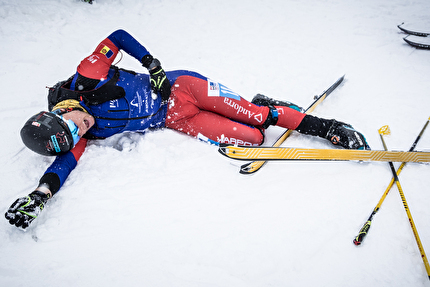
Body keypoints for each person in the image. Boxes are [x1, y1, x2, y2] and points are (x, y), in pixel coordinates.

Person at [5, 29, 370, 229]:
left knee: (260, 118)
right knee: (254, 137)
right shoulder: (75, 136)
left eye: (75, 123)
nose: (83, 128)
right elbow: (63, 165)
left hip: (184, 88)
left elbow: (116, 36)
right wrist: (41, 194)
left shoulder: (87, 76)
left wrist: (153, 65)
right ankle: (263, 105)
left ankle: (327, 126)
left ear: (60, 112)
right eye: (77, 135)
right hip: (177, 119)